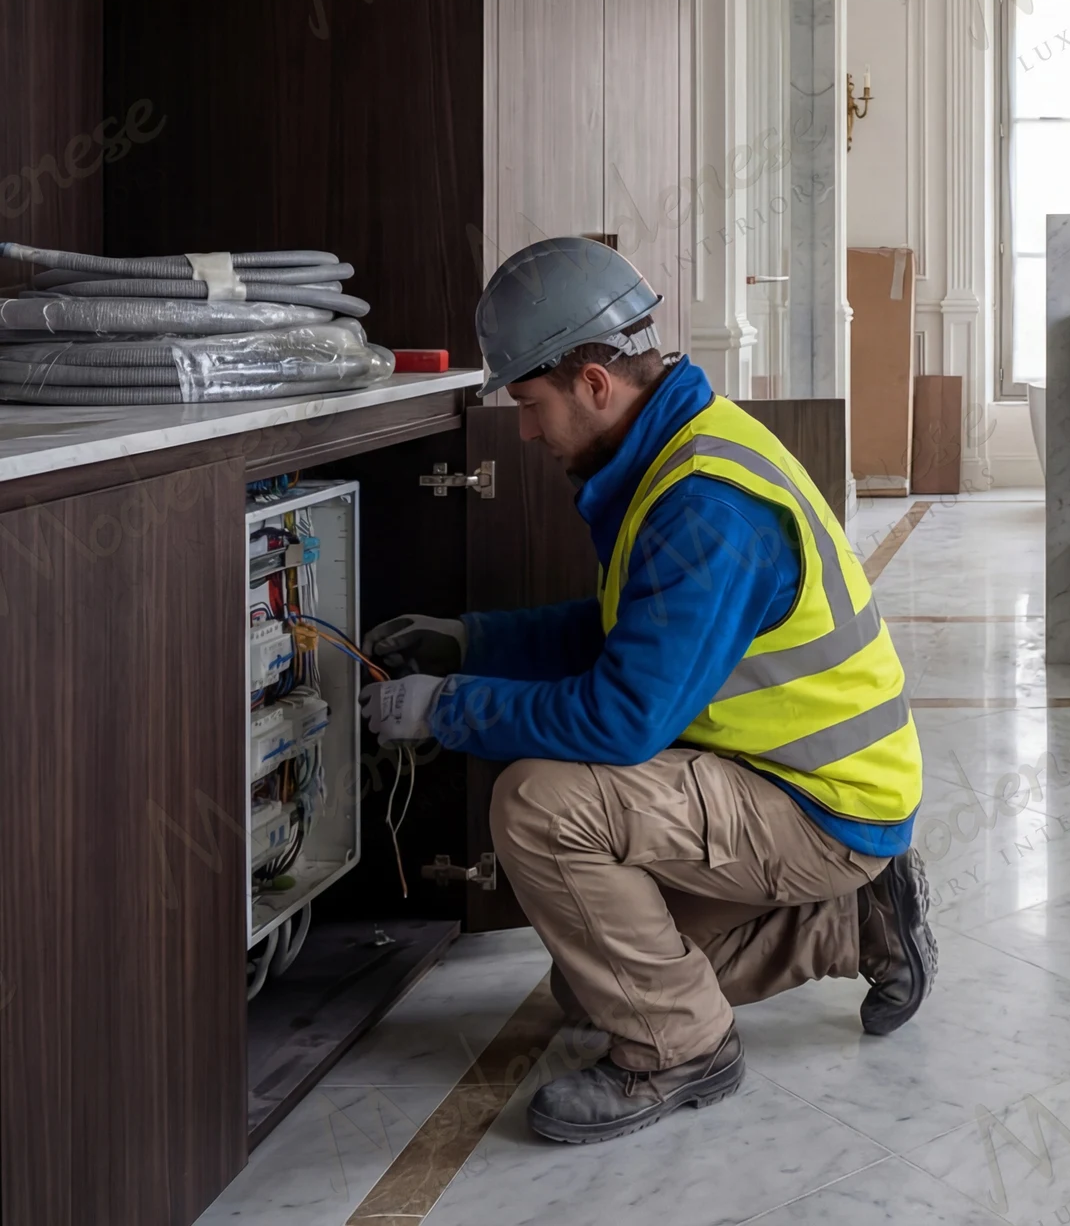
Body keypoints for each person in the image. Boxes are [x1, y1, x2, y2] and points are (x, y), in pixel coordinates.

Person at [358, 237, 931, 1146]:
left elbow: (620, 719)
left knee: (542, 805)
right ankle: (852, 921)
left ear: (592, 383)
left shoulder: (704, 505)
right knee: (589, 985)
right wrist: (473, 641)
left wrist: (446, 706)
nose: (529, 431)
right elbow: (626, 637)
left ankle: (680, 1052)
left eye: (532, 404)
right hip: (794, 781)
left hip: (819, 800)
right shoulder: (678, 451)